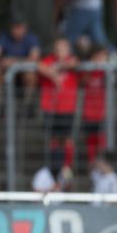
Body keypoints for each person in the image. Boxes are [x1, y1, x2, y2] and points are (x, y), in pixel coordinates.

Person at [37, 38, 79, 175]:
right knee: (52, 138)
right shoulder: (49, 60)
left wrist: (56, 68)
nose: (61, 50)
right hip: (50, 108)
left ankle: (67, 167)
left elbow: (73, 63)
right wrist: (54, 75)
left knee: (66, 138)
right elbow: (40, 67)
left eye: (63, 48)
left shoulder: (71, 60)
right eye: (58, 48)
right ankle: (54, 167)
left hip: (67, 108)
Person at [0, 14, 41, 105]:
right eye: (15, 28)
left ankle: (27, 103)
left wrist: (13, 61)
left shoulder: (31, 38)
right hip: (7, 69)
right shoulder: (4, 37)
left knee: (30, 75)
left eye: (20, 28)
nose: (18, 31)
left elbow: (34, 58)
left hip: (25, 68)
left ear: (25, 28)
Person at [81, 46, 109, 165]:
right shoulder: (88, 70)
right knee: (91, 141)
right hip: (89, 112)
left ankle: (101, 164)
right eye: (98, 56)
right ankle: (91, 164)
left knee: (102, 140)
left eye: (103, 56)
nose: (101, 59)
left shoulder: (107, 71)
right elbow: (83, 80)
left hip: (102, 113)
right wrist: (92, 67)